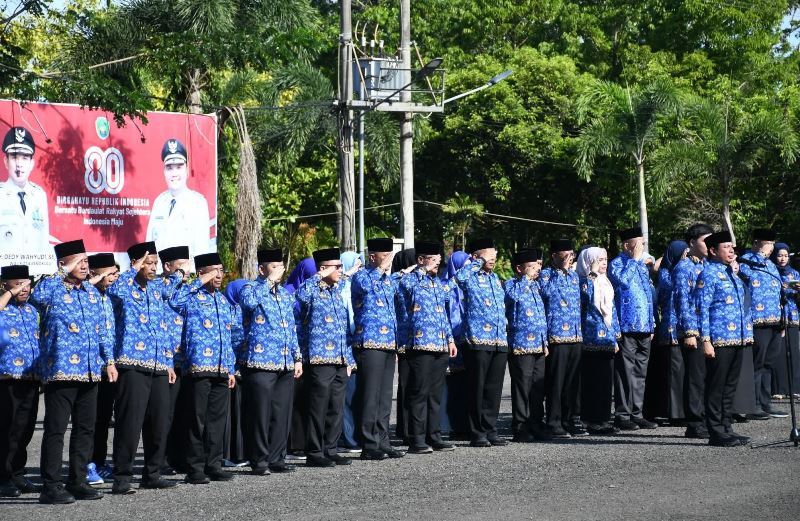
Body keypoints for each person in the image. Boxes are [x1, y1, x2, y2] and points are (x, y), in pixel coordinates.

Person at [31, 239, 115, 504]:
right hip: (61, 371)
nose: (84, 265)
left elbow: (102, 330)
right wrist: (61, 273)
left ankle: (77, 481)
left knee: (85, 429)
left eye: (86, 260)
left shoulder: (91, 293)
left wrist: (109, 361)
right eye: (78, 261)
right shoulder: (52, 288)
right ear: (63, 264)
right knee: (56, 430)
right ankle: (51, 486)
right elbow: (36, 296)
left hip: (90, 370)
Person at [106, 241, 177, 494]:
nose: (154, 268)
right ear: (136, 264)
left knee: (159, 423)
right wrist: (133, 269)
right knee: (130, 423)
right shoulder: (124, 286)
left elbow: (163, 326)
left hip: (159, 364)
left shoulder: (157, 289)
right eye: (149, 263)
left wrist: (168, 362)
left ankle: (152, 473)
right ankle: (122, 478)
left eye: (156, 263)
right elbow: (113, 290)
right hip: (132, 364)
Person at [169, 252, 239, 484]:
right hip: (198, 367)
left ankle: (214, 464)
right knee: (196, 420)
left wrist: (230, 369)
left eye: (221, 270)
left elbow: (228, 336)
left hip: (221, 368)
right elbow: (173, 300)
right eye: (213, 271)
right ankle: (195, 467)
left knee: (216, 421)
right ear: (201, 273)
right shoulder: (190, 297)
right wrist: (198, 281)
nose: (219, 275)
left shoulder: (222, 300)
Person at [238, 248, 303, 475]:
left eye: (280, 267)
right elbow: (248, 304)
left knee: (281, 413)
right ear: (261, 269)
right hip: (260, 361)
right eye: (273, 267)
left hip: (284, 361)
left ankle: (277, 458)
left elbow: (292, 328)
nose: (278, 271)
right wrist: (268, 282)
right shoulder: (250, 288)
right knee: (259, 414)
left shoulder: (285, 295)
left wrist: (297, 357)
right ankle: (259, 461)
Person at [295, 247, 356, 467]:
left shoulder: (336, 292)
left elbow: (343, 329)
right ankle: (314, 451)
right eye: (336, 266)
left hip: (339, 359)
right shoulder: (312, 291)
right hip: (320, 358)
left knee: (335, 407)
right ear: (323, 269)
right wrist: (318, 276)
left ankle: (331, 449)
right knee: (317, 408)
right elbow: (300, 295)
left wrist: (349, 359)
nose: (340, 270)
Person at [397, 240, 458, 454]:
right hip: (420, 345)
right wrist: (421, 269)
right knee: (419, 392)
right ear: (421, 260)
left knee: (435, 394)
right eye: (432, 260)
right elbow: (401, 285)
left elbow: (444, 315)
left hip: (440, 345)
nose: (436, 264)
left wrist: (450, 339)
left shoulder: (437, 283)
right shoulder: (410, 280)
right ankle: (416, 438)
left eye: (438, 260)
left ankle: (434, 435)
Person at [351, 238, 406, 460]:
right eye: (385, 256)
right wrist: (380, 269)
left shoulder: (387, 280)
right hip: (369, 342)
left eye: (390, 256)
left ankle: (383, 440)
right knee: (370, 396)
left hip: (388, 343)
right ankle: (368, 443)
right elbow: (364, 288)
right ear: (372, 256)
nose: (389, 260)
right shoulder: (362, 276)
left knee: (384, 397)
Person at [697, 231, 753, 447]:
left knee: (730, 386)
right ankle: (716, 431)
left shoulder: (732, 273)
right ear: (713, 251)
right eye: (726, 247)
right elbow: (701, 309)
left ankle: (727, 427)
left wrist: (747, 334)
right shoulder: (708, 274)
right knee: (716, 386)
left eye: (732, 247)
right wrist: (705, 340)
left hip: (737, 338)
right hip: (718, 339)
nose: (731, 251)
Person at [455, 238, 509, 447]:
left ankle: (490, 429)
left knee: (493, 389)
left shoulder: (495, 278)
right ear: (476, 256)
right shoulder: (470, 275)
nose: (492, 259)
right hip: (477, 339)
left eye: (494, 255)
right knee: (476, 387)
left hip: (498, 339)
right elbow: (459, 277)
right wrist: (478, 261)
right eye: (488, 255)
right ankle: (476, 432)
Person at [609, 226, 657, 430]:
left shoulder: (641, 266)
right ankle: (622, 414)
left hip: (645, 326)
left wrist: (652, 322)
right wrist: (635, 260)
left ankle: (637, 413)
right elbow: (623, 283)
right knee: (624, 373)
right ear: (627, 245)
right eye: (639, 244)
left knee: (640, 373)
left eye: (643, 244)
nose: (642, 247)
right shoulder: (616, 264)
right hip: (626, 326)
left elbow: (648, 293)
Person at [0, 265, 41, 497]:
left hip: (30, 377)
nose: (24, 289)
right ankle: (2, 477)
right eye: (18, 284)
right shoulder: (3, 307)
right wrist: (9, 294)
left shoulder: (31, 310)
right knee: (6, 429)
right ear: (4, 285)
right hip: (6, 378)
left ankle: (17, 473)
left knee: (24, 429)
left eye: (27, 284)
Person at [738, 228, 788, 418]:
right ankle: (753, 404)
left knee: (769, 363)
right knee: (757, 364)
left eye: (772, 244)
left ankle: (766, 402)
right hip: (757, 321)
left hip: (775, 320)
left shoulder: (771, 265)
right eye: (768, 244)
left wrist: (782, 321)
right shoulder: (745, 263)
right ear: (756, 243)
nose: (771, 248)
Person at [151, 246, 192, 474]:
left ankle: (179, 457)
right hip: (167, 360)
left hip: (186, 360)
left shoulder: (187, 289)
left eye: (188, 265)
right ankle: (160, 460)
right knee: (164, 415)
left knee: (182, 413)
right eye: (181, 266)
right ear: (167, 266)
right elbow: (168, 296)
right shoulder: (158, 285)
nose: (187, 271)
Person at [504, 248, 550, 442]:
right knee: (522, 387)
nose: (535, 269)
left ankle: (536, 423)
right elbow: (514, 298)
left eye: (536, 266)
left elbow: (541, 316)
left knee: (538, 387)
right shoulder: (511, 285)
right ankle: (520, 426)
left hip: (539, 344)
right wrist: (526, 278)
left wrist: (544, 341)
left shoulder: (536, 286)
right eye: (530, 266)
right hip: (521, 345)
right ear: (519, 269)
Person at [539, 239, 583, 438]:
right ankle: (553, 421)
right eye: (565, 254)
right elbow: (546, 293)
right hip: (557, 336)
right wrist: (560, 271)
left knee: (572, 382)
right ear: (554, 256)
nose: (568, 258)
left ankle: (569, 419)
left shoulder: (574, 276)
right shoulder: (546, 274)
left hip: (575, 335)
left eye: (571, 254)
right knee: (556, 382)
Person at [673, 224, 713, 438]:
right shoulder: (684, 268)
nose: (710, 245)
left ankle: (709, 418)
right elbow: (682, 302)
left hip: (709, 330)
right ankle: (695, 423)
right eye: (705, 240)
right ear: (692, 243)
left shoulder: (708, 266)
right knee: (696, 378)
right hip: (693, 331)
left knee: (709, 377)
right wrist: (689, 332)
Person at [576, 248, 621, 435]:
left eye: (605, 259)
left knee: (605, 382)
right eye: (599, 260)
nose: (603, 263)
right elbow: (584, 298)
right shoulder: (582, 281)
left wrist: (616, 337)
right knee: (591, 381)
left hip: (606, 340)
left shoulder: (606, 282)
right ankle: (590, 420)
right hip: (590, 338)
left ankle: (603, 419)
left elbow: (612, 311)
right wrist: (592, 275)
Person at [146, 138, 212, 260]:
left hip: (185, 272)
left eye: (179, 167)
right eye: (169, 168)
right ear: (164, 171)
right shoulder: (159, 202)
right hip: (159, 271)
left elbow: (202, 252)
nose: (174, 173)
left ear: (186, 169)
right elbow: (149, 248)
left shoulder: (198, 204)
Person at [645, 240, 688, 423]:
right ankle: (674, 413)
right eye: (683, 253)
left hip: (684, 326)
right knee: (674, 372)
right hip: (671, 328)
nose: (686, 256)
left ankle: (683, 410)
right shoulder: (666, 274)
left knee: (683, 371)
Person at [86, 254, 119, 485]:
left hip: (109, 366)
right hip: (91, 366)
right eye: (108, 274)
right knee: (89, 419)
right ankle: (86, 464)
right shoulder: (86, 296)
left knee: (103, 418)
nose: (113, 278)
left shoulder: (109, 298)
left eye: (114, 273)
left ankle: (99, 461)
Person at [0, 127, 51, 269]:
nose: (19, 164)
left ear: (31, 163)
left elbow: (44, 240)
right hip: (5, 276)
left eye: (25, 158)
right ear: (6, 161)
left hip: (35, 275)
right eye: (14, 157)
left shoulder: (39, 196)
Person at [285, 257, 318, 459]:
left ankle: (307, 442)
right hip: (293, 353)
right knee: (295, 399)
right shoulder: (289, 291)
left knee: (309, 398)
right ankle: (294, 445)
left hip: (311, 352)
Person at [440, 251, 469, 439]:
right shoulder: (445, 286)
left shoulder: (470, 285)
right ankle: (446, 426)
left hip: (466, 339)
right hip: (449, 339)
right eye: (464, 266)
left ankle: (463, 425)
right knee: (449, 383)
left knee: (464, 385)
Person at [338, 251, 363, 454]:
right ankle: (348, 439)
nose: (358, 270)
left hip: (358, 346)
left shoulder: (356, 288)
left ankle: (355, 435)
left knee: (356, 395)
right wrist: (347, 274)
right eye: (356, 266)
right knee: (346, 397)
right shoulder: (338, 288)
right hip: (344, 348)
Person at [392, 248, 417, 442]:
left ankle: (414, 428)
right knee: (407, 385)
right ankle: (406, 429)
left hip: (418, 339)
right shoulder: (398, 283)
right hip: (403, 340)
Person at [770, 243, 798, 398]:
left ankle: (794, 388)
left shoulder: (795, 273)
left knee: (793, 351)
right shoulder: (771, 271)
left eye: (786, 256)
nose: (783, 259)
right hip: (776, 316)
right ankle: (779, 389)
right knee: (778, 352)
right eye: (780, 255)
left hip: (792, 315)